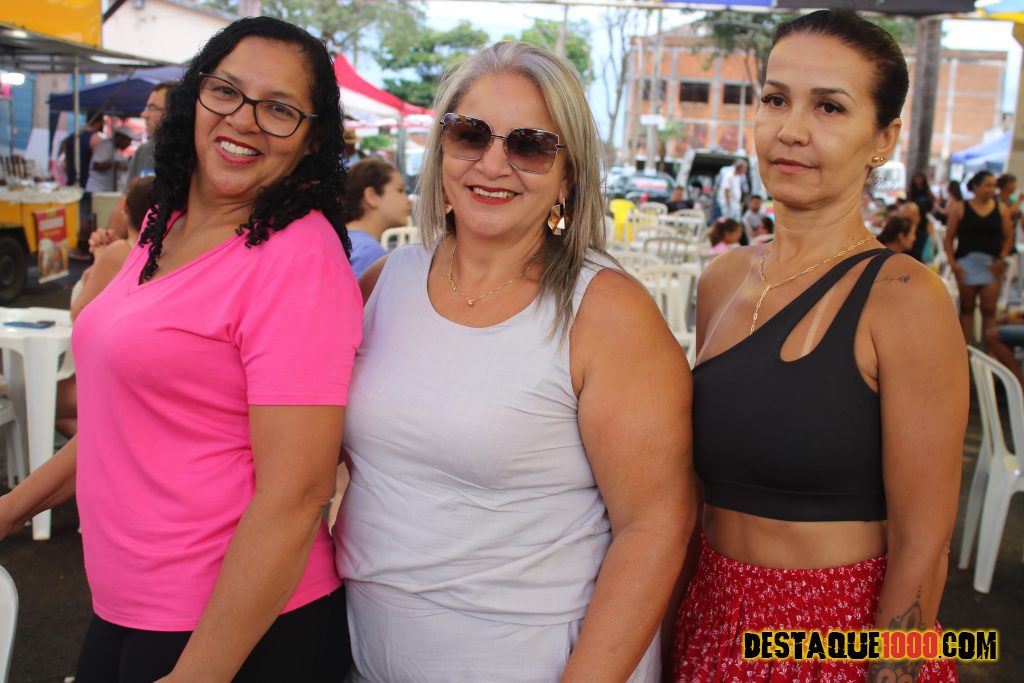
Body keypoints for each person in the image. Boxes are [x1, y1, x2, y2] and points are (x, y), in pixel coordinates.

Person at [0, 16, 361, 682]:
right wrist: (11, 509)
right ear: (195, 95)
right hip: (128, 603)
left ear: (312, 137)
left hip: (233, 629)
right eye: (226, 90)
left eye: (279, 108)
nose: (244, 119)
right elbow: (125, 422)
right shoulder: (163, 222)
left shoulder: (298, 257)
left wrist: (200, 672)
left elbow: (298, 494)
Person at [335, 41, 695, 682]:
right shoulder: (385, 282)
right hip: (363, 659)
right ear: (442, 148)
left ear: (569, 175)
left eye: (530, 145)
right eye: (470, 134)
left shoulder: (607, 312)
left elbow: (654, 527)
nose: (493, 163)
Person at [673, 10, 965, 682]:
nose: (791, 129)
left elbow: (923, 546)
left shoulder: (904, 297)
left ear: (883, 138)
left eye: (829, 107)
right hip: (709, 624)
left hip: (833, 641)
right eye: (776, 99)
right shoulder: (722, 279)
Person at [945, 170, 1013, 343]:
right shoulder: (960, 208)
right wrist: (953, 263)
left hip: (991, 263)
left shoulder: (1001, 208)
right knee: (967, 307)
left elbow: (1009, 237)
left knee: (989, 308)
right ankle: (966, 348)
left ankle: (990, 349)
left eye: (994, 186)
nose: (992, 189)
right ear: (976, 187)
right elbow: (949, 237)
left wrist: (1002, 257)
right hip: (966, 262)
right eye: (988, 185)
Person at [343, 157, 410, 276]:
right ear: (372, 196)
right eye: (400, 190)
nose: (408, 200)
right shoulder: (370, 251)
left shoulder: (341, 238)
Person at [126, 81, 176, 181]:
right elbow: (129, 190)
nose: (143, 114)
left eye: (152, 108)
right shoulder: (143, 151)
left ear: (174, 112)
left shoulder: (195, 156)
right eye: (147, 107)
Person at [84, 124, 135, 194]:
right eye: (128, 140)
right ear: (120, 137)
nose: (129, 144)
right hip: (96, 190)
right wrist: (115, 165)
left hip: (106, 191)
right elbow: (96, 165)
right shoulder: (105, 145)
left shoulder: (117, 150)